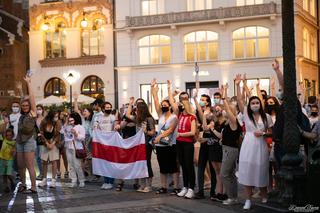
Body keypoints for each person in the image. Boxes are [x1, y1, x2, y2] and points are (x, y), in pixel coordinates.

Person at [235, 74, 273, 210]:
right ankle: (248, 200)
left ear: (260, 104)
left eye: (257, 103)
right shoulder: (246, 113)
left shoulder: (267, 116)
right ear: (249, 105)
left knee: (261, 170)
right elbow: (240, 99)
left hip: (261, 146)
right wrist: (238, 85)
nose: (255, 105)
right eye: (253, 103)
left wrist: (263, 133)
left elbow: (271, 132)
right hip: (248, 145)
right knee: (248, 170)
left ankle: (264, 194)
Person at [168, 80, 197, 199]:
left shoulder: (192, 116)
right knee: (183, 165)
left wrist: (181, 134)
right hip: (179, 143)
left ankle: (191, 188)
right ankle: (185, 187)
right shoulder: (180, 115)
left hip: (188, 144)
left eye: (184, 102)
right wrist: (169, 89)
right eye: (181, 102)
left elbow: (193, 132)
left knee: (189, 166)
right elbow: (171, 102)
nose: (181, 104)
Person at [151, 79, 179, 195]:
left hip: (171, 144)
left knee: (173, 166)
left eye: (165, 105)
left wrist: (169, 88)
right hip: (160, 145)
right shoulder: (160, 115)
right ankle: (163, 187)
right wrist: (154, 90)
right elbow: (156, 100)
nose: (163, 106)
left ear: (170, 106)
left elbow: (171, 130)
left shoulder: (174, 116)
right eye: (162, 105)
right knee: (162, 166)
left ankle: (176, 187)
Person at [220, 85, 242, 205]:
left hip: (230, 150)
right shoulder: (228, 123)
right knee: (231, 174)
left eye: (227, 110)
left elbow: (227, 110)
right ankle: (234, 197)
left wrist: (224, 97)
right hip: (227, 149)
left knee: (224, 174)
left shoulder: (234, 122)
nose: (224, 110)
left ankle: (231, 197)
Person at [193, 92, 217, 200]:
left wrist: (203, 117)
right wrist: (194, 98)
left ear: (207, 102)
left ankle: (213, 192)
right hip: (202, 142)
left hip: (211, 142)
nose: (201, 101)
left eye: (203, 100)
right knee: (201, 166)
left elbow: (206, 127)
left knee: (212, 168)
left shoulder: (212, 113)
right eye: (201, 99)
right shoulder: (201, 112)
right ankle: (200, 191)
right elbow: (198, 108)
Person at [16, 76, 37, 194]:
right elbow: (22, 99)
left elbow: (32, 99)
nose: (24, 107)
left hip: (29, 140)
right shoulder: (22, 114)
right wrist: (20, 90)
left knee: (30, 165)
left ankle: (33, 187)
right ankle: (23, 184)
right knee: (20, 165)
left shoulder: (32, 113)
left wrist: (29, 83)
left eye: (26, 105)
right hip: (19, 140)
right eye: (23, 106)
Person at [94, 102, 120, 190]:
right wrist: (95, 128)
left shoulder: (112, 117)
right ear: (103, 108)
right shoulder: (99, 117)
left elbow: (115, 126)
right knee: (103, 162)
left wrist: (116, 126)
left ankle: (110, 181)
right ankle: (105, 181)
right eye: (107, 107)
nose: (109, 108)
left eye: (110, 107)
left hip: (111, 143)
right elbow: (96, 127)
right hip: (102, 143)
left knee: (110, 163)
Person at [38, 110, 61, 188]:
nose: (56, 118)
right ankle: (44, 179)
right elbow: (41, 133)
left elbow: (58, 134)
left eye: (57, 116)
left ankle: (53, 180)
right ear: (51, 116)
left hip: (54, 143)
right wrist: (46, 143)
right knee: (44, 161)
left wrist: (53, 143)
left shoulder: (57, 122)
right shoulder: (44, 122)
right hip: (45, 144)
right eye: (55, 116)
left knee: (54, 161)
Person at [62, 112, 86, 188]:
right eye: (69, 120)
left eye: (72, 120)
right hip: (68, 147)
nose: (70, 122)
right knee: (71, 165)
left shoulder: (80, 127)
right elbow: (62, 131)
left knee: (77, 165)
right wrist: (66, 122)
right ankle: (73, 180)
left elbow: (82, 137)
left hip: (76, 147)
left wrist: (76, 134)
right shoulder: (67, 126)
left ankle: (81, 180)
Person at [0, 128, 16, 192]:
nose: (8, 136)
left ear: (12, 135)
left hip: (9, 160)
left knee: (8, 173)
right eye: (7, 135)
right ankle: (6, 187)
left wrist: (13, 152)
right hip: (2, 159)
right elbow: (2, 131)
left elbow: (14, 152)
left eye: (10, 135)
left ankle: (12, 181)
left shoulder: (14, 142)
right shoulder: (4, 140)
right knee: (4, 174)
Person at [35, 104, 45, 180]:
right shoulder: (34, 119)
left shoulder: (44, 119)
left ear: (42, 110)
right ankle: (41, 173)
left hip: (42, 140)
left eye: (40, 109)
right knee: (37, 157)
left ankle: (43, 174)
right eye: (37, 109)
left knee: (41, 157)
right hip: (35, 140)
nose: (38, 110)